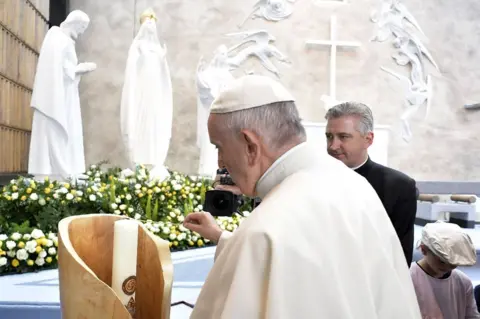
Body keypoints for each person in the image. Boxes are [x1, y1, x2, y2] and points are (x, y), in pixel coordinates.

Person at [183, 75, 421, 318]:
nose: (221, 162)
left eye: (219, 147)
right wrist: (222, 237)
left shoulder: (265, 227)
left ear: (251, 145)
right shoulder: (357, 186)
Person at [325, 102, 417, 266]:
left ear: (368, 139)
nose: (333, 146)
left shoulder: (399, 187)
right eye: (329, 136)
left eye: (343, 137)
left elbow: (400, 257)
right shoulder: (310, 180)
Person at [28, 10, 96, 182]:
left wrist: (78, 70)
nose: (81, 32)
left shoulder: (64, 40)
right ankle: (60, 171)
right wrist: (81, 68)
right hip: (53, 97)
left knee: (67, 129)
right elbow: (56, 70)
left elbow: (65, 71)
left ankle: (65, 169)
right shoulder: (57, 37)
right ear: (74, 22)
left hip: (64, 95)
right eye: (81, 27)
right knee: (55, 130)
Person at [120, 8, 172, 181]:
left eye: (152, 23)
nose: (150, 26)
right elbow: (131, 71)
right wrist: (139, 57)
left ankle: (155, 158)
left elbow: (164, 77)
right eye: (147, 23)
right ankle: (139, 159)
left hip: (155, 94)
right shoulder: (138, 46)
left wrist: (163, 59)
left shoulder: (158, 49)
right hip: (141, 92)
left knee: (155, 125)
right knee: (140, 122)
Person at [411, 221, 479, 318]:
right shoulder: (408, 278)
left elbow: (472, 316)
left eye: (454, 262)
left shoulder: (463, 282)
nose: (448, 266)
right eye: (442, 261)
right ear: (423, 250)